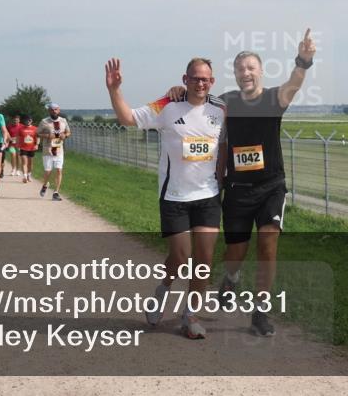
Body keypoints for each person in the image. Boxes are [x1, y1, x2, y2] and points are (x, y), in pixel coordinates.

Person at [166, 29, 316, 336]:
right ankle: (231, 278)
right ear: (234, 75)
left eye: (250, 68)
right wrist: (178, 92)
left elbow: (295, 83)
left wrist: (303, 61)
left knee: (268, 243)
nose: (245, 73)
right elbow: (196, 98)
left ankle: (261, 311)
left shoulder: (275, 98)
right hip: (236, 189)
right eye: (239, 69)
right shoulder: (225, 103)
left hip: (271, 186)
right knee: (235, 253)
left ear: (260, 71)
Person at [107, 57, 225, 340]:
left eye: (206, 79)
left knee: (205, 259)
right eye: (195, 78)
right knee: (181, 256)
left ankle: (190, 316)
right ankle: (162, 289)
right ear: (185, 79)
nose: (200, 83)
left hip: (208, 195)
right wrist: (115, 90)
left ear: (212, 82)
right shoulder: (167, 105)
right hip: (174, 196)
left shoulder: (222, 109)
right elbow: (128, 119)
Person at [37, 103, 69, 201]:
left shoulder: (63, 121)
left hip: (59, 150)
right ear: (49, 111)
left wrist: (65, 135)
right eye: (52, 110)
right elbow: (37, 133)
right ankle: (45, 185)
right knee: (48, 171)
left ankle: (56, 192)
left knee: (59, 170)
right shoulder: (44, 122)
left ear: (58, 110)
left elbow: (68, 132)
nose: (54, 111)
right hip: (48, 150)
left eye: (55, 109)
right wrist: (47, 136)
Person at [17, 114, 38, 183]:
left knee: (30, 163)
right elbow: (18, 138)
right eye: (27, 120)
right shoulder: (21, 129)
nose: (28, 121)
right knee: (24, 162)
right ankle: (25, 177)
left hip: (31, 148)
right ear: (24, 121)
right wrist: (18, 146)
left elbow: (37, 137)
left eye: (30, 120)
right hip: (23, 148)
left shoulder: (35, 128)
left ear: (31, 121)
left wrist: (37, 144)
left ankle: (29, 175)